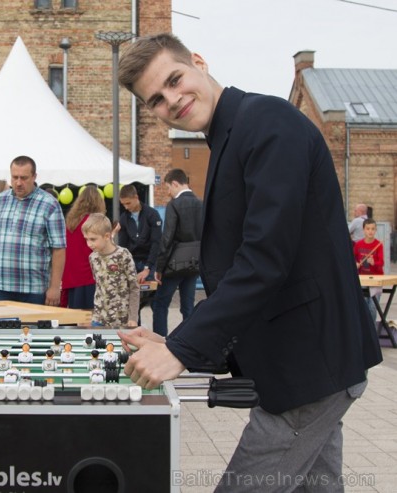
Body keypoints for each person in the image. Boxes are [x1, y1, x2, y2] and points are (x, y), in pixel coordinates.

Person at [116, 33, 382, 491]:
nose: (172, 100)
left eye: (175, 80)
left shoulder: (266, 121)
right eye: (156, 99)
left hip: (308, 369)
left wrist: (181, 350)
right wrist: (177, 339)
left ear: (198, 62)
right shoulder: (233, 133)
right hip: (306, 369)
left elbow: (264, 260)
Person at [0, 156, 66, 306]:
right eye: (15, 177)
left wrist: (55, 287)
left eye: (24, 178)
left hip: (34, 289)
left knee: (33, 330)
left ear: (34, 177)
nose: (18, 183)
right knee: (2, 328)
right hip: (0, 285)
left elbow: (59, 248)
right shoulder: (1, 199)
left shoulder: (49, 204)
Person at [151, 169, 203, 336]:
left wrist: (159, 268)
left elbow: (167, 239)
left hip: (174, 264)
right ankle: (189, 341)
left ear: (175, 183)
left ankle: (161, 341)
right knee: (188, 306)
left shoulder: (174, 205)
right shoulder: (201, 203)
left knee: (160, 304)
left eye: (168, 188)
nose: (168, 192)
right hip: (196, 262)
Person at [83, 213, 139, 327]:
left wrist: (133, 317)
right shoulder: (92, 257)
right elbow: (99, 286)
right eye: (86, 239)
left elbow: (134, 287)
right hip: (99, 319)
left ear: (107, 236)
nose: (89, 244)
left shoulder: (123, 255)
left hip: (122, 320)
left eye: (93, 239)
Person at [62, 185, 106, 309]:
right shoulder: (94, 223)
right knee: (91, 321)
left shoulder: (70, 223)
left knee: (76, 321)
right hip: (90, 276)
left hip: (71, 277)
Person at [116, 184, 162, 283]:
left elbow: (156, 243)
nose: (126, 207)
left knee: (150, 294)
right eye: (123, 204)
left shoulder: (152, 214)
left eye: (128, 203)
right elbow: (123, 245)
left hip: (150, 260)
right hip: (132, 261)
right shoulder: (123, 218)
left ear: (136, 197)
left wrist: (148, 267)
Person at [354, 218, 384, 322]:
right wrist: (356, 264)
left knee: (372, 307)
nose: (370, 231)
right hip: (362, 279)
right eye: (368, 229)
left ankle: (372, 332)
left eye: (373, 229)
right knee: (363, 306)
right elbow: (352, 259)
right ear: (363, 230)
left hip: (376, 280)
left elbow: (381, 263)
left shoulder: (379, 245)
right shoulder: (358, 245)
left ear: (376, 230)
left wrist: (373, 263)